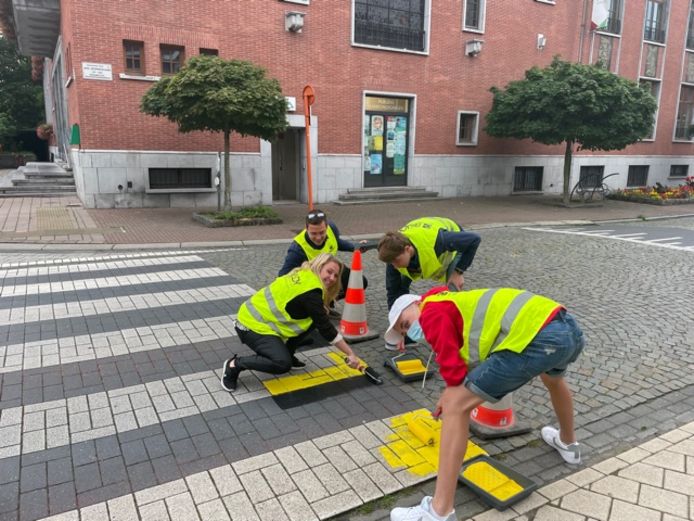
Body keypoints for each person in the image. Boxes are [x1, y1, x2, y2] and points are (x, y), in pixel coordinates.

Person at [385, 286, 585, 521]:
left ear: (416, 303)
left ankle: (439, 511)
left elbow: (452, 367)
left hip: (538, 338)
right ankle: (569, 444)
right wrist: (453, 390)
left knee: (455, 408)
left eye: (406, 323)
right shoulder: (449, 301)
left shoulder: (431, 312)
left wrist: (452, 395)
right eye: (406, 332)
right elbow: (465, 357)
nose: (411, 332)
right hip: (565, 328)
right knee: (553, 379)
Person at [221, 253, 360, 392]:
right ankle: (234, 365)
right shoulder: (311, 292)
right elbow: (327, 330)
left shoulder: (306, 274)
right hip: (250, 325)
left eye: (336, 276)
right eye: (329, 272)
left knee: (317, 316)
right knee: (281, 363)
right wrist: (350, 354)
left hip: (259, 318)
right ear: (319, 266)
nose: (332, 278)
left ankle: (288, 351)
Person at [377, 217, 480, 349]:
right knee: (398, 287)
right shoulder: (394, 256)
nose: (395, 267)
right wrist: (398, 331)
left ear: (408, 249)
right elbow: (394, 294)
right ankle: (412, 336)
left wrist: (458, 272)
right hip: (419, 248)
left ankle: (456, 340)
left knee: (452, 295)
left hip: (455, 244)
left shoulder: (439, 241)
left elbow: (474, 239)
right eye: (391, 263)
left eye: (396, 261)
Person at [279, 209, 368, 312]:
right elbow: (282, 276)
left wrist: (355, 247)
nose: (318, 237)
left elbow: (337, 242)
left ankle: (327, 303)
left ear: (327, 227)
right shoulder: (297, 250)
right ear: (306, 229)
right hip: (311, 283)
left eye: (322, 232)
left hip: (329, 272)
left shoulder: (332, 229)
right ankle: (316, 307)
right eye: (313, 233)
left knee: (360, 282)